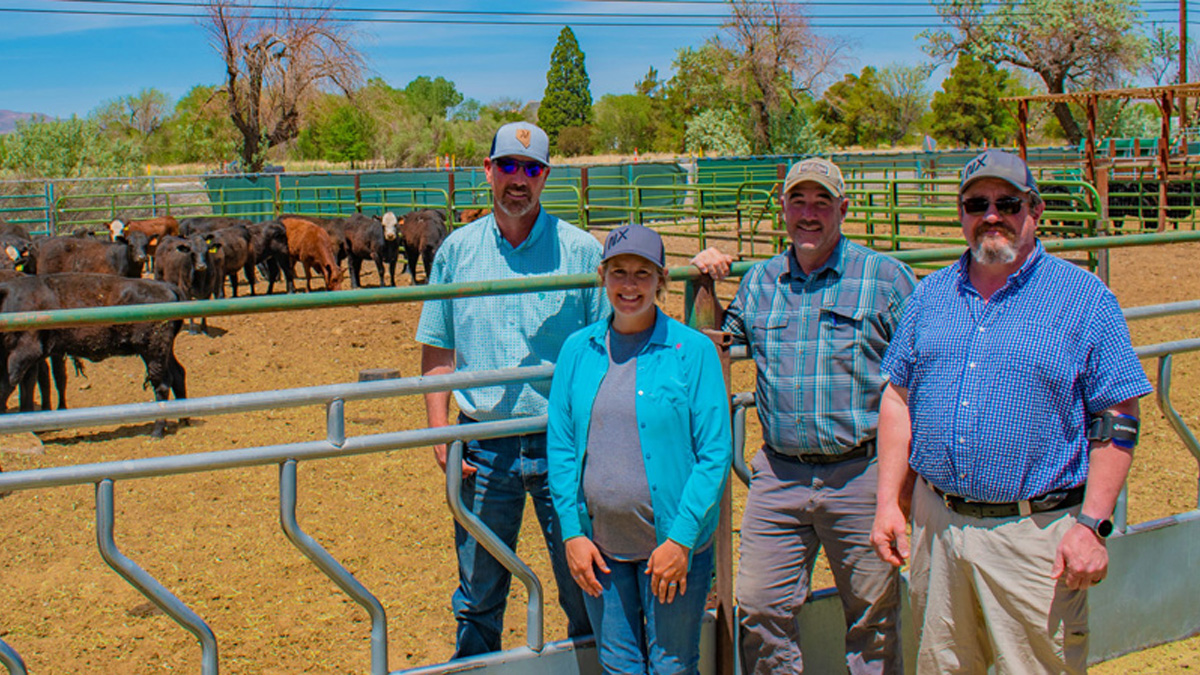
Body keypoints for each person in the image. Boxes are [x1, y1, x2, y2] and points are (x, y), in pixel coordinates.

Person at [870, 149, 1153, 673]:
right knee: (941, 665)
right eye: (977, 202)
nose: (992, 215)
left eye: (1008, 202)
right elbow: (898, 397)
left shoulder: (1082, 297)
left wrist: (1091, 526)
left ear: (1035, 210)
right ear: (961, 213)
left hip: (1035, 535)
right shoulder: (931, 294)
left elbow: (1119, 417)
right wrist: (890, 501)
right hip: (938, 525)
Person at [692, 158, 915, 674]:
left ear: (843, 208)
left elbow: (924, 372)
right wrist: (703, 281)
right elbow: (713, 348)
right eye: (798, 201)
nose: (808, 214)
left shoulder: (884, 279)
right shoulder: (761, 281)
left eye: (821, 202)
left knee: (873, 615)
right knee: (760, 605)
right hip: (779, 475)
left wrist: (904, 484)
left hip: (860, 472)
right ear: (784, 210)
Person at [415, 121, 604, 658]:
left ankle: (587, 665)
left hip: (563, 441)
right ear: (488, 172)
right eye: (508, 167)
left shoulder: (580, 252)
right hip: (483, 440)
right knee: (478, 591)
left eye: (531, 169)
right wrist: (439, 430)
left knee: (584, 579)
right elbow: (437, 348)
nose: (518, 180)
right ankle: (477, 666)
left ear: (546, 177)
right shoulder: (456, 251)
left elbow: (608, 349)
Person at [547, 223, 732, 675]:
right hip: (601, 546)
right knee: (619, 665)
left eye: (643, 274)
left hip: (671, 545)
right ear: (603, 277)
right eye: (619, 272)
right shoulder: (578, 350)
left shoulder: (692, 351)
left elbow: (715, 453)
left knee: (672, 665)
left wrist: (681, 539)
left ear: (662, 280)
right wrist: (573, 533)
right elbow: (562, 446)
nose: (630, 286)